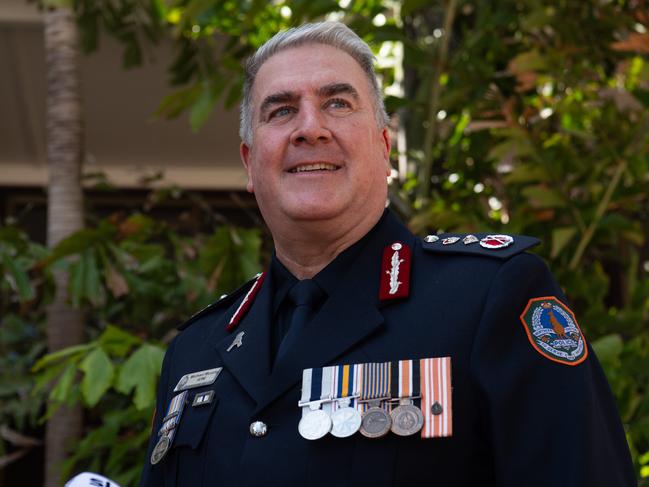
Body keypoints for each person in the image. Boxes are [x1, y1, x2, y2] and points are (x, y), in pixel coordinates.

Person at [139, 21, 636, 487]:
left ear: (384, 148)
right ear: (251, 163)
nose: (309, 128)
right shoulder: (196, 350)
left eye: (337, 103)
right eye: (281, 110)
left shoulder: (489, 299)